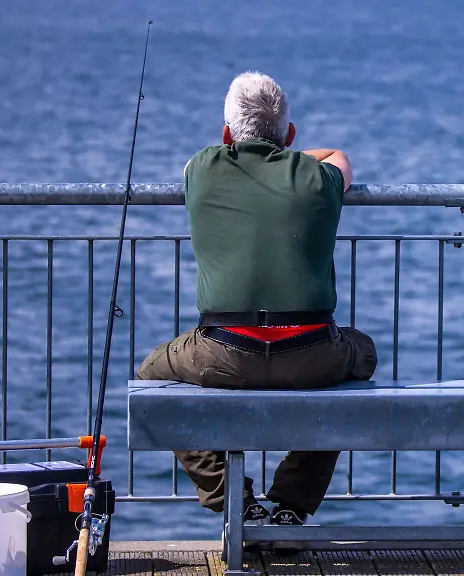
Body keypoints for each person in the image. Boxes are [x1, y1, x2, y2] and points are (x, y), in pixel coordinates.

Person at [135, 71, 378, 550]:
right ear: (289, 136)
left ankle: (232, 500)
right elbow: (340, 159)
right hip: (312, 353)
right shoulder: (318, 177)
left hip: (224, 351)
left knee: (151, 375)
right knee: (361, 354)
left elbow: (206, 158)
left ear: (226, 135)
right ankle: (290, 505)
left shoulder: (202, 168)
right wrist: (288, 158)